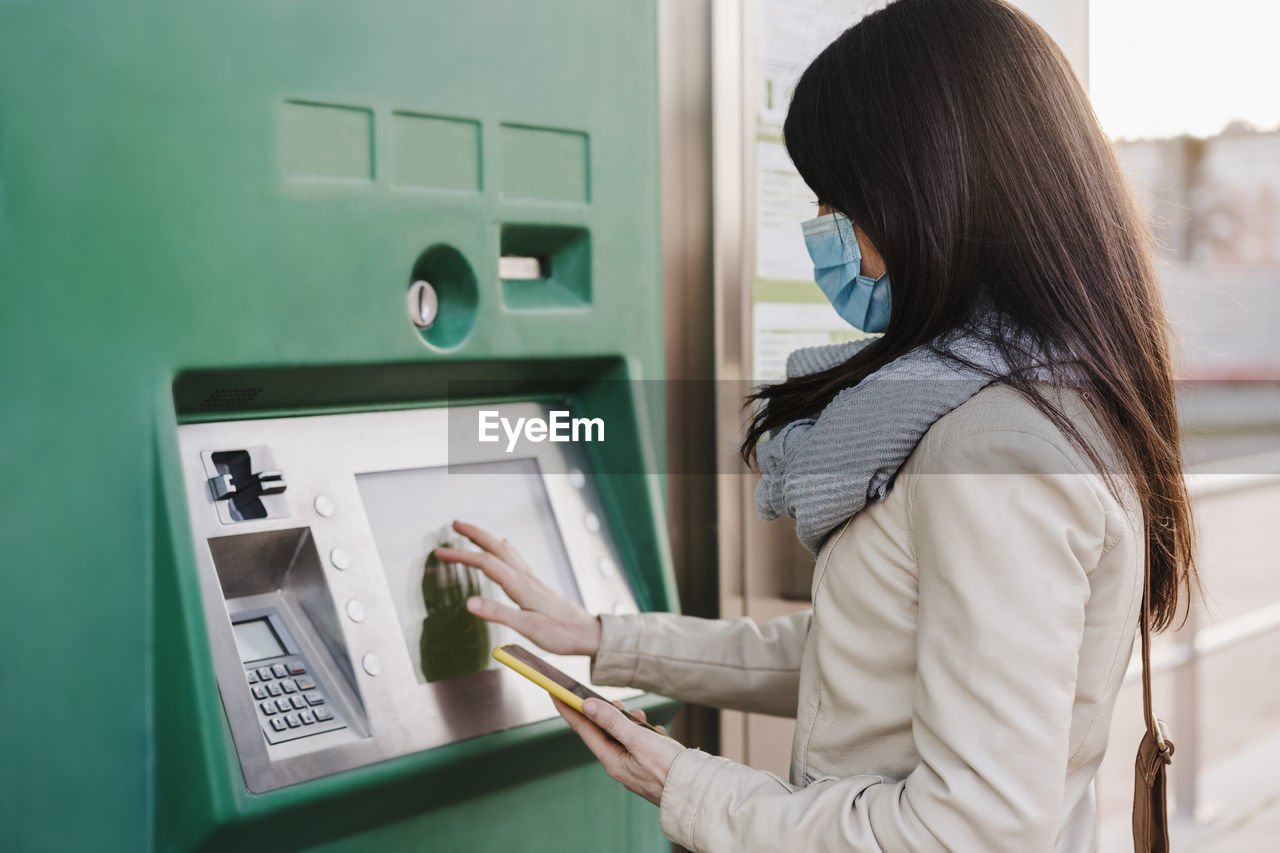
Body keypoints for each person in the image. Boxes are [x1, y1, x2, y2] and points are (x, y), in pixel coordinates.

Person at [434, 0, 1198, 848]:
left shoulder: (993, 447)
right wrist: (606, 639)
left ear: (929, 192)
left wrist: (687, 782)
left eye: (840, 200)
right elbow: (875, 651)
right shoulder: (1029, 398)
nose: (827, 235)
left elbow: (971, 833)